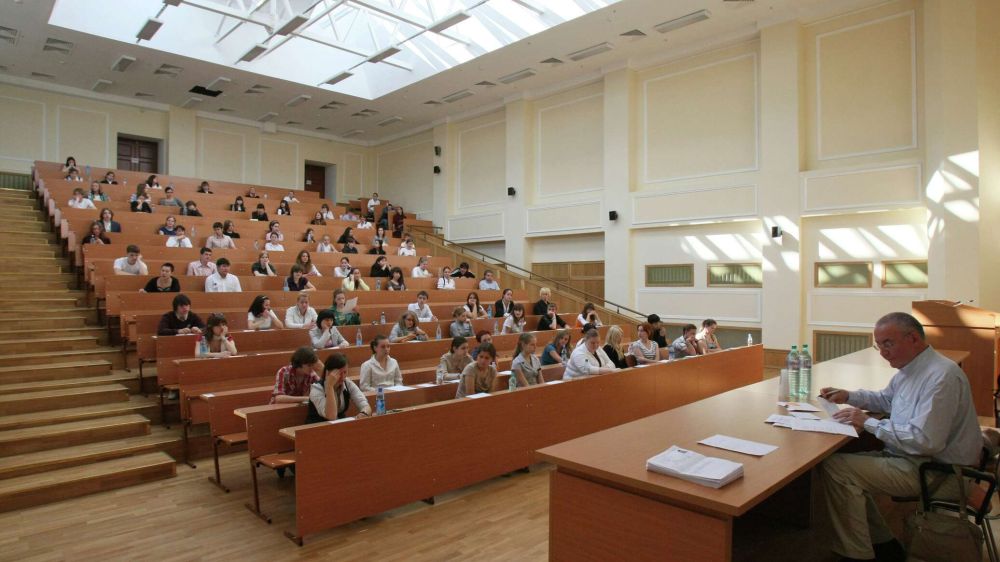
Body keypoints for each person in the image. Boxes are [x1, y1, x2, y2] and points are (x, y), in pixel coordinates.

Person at [817, 312, 981, 562]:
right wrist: (848, 396)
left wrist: (868, 422)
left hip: (938, 472)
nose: (883, 353)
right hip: (915, 460)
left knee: (838, 469)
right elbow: (887, 399)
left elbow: (925, 441)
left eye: (888, 344)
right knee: (842, 462)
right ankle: (884, 546)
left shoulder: (941, 376)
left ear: (913, 338)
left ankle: (857, 555)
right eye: (879, 345)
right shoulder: (912, 368)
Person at [306, 353, 371, 423]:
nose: (342, 377)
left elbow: (365, 405)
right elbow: (331, 416)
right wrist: (329, 386)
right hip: (318, 426)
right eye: (339, 373)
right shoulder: (316, 388)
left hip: (339, 425)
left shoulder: (347, 383)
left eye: (345, 372)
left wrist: (364, 413)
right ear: (328, 372)